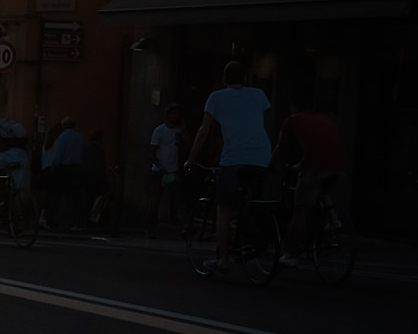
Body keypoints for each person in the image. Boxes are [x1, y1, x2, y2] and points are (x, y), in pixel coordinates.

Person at [189, 61, 274, 275]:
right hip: (262, 155)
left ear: (224, 79)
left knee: (224, 208)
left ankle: (223, 260)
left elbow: (204, 131)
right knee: (252, 199)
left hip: (234, 157)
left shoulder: (216, 97)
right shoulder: (259, 95)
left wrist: (190, 159)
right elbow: (261, 122)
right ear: (245, 79)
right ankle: (251, 236)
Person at [273, 99, 345, 266]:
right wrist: (299, 165)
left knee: (300, 212)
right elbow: (319, 148)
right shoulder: (325, 119)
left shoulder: (293, 120)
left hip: (317, 169)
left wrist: (270, 166)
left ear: (293, 107)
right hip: (339, 167)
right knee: (322, 191)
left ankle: (291, 254)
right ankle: (333, 220)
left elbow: (281, 146)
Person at [148, 105, 186, 236]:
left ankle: (183, 228)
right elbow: (152, 151)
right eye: (173, 113)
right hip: (160, 171)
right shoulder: (159, 131)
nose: (176, 116)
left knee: (178, 200)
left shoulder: (178, 131)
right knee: (155, 200)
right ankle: (151, 228)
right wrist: (159, 167)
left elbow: (183, 146)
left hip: (173, 169)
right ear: (168, 115)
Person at [41, 117, 84, 230]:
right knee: (75, 197)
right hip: (76, 167)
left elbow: (58, 155)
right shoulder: (79, 137)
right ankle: (76, 222)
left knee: (56, 195)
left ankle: (50, 220)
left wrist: (55, 165)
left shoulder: (62, 137)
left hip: (63, 168)